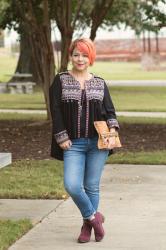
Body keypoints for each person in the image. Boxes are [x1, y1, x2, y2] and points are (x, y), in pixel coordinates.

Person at [49, 38, 119, 243]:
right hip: (73, 144)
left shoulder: (99, 82)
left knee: (91, 186)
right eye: (76, 54)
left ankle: (86, 227)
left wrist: (112, 130)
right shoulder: (60, 80)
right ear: (70, 56)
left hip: (98, 144)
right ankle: (94, 218)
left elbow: (110, 112)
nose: (80, 59)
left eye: (85, 55)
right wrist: (61, 136)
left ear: (91, 57)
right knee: (72, 185)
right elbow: (56, 110)